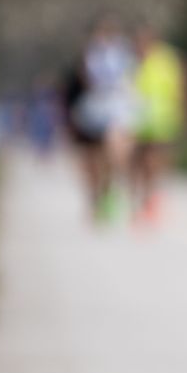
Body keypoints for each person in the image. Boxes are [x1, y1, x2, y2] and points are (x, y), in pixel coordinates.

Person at [73, 14, 138, 222]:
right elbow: (84, 82)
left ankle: (109, 191)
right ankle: (96, 197)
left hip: (119, 109)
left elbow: (133, 80)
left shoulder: (126, 54)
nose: (104, 36)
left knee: (115, 156)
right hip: (95, 109)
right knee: (94, 159)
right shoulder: (89, 54)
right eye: (101, 31)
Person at [129, 24, 187, 223]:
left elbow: (181, 84)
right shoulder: (133, 60)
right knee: (136, 161)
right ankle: (142, 197)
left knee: (154, 158)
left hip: (161, 116)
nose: (142, 44)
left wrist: (182, 109)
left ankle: (152, 197)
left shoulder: (167, 60)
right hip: (135, 117)